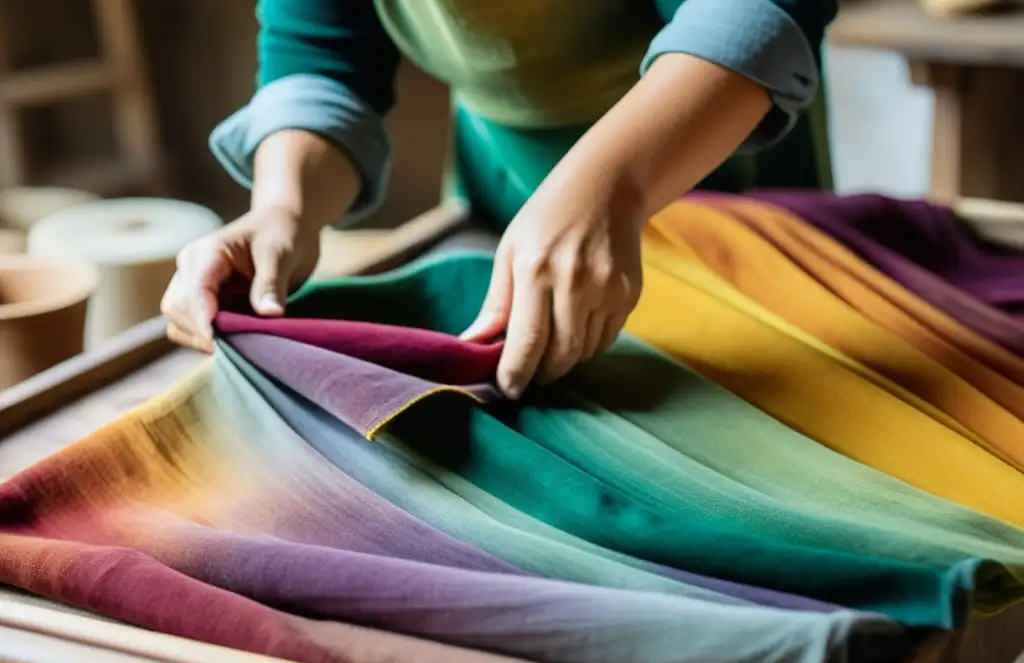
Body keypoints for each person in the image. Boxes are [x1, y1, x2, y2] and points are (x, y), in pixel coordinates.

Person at [161, 0, 837, 399]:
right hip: (499, 170)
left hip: (710, 142)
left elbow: (751, 12)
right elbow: (322, 58)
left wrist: (611, 186)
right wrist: (283, 207)